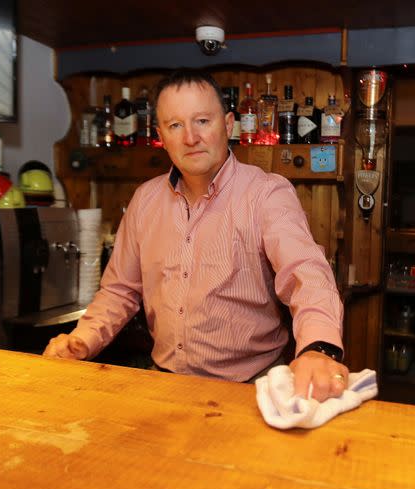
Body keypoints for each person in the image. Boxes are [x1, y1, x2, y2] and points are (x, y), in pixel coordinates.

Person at [44, 69, 348, 402]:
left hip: (249, 389)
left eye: (202, 121)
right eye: (176, 125)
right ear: (161, 134)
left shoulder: (266, 194)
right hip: (164, 384)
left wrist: (318, 348)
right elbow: (119, 290)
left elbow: (306, 274)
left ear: (228, 125)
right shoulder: (145, 200)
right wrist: (82, 340)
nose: (191, 137)